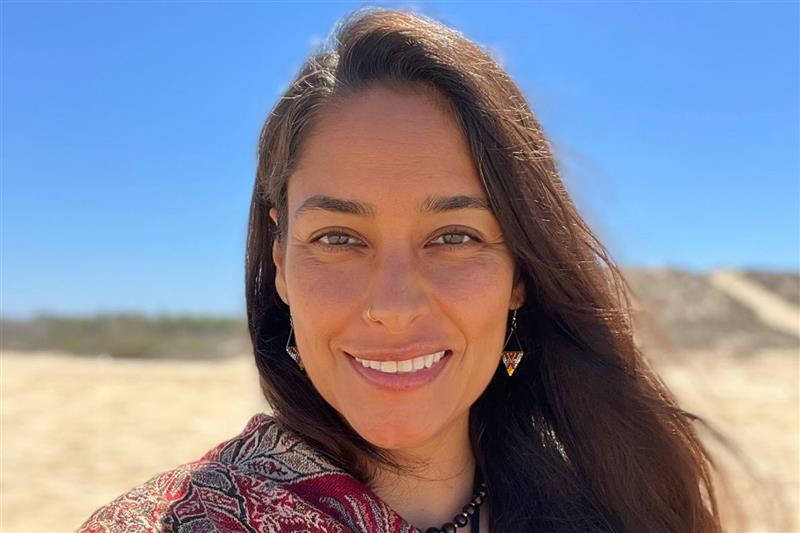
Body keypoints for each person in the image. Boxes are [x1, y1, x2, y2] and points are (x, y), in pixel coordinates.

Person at [79, 7, 724, 533]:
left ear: (520, 271)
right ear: (279, 259)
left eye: (452, 236)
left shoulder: (608, 505)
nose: (393, 303)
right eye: (337, 237)